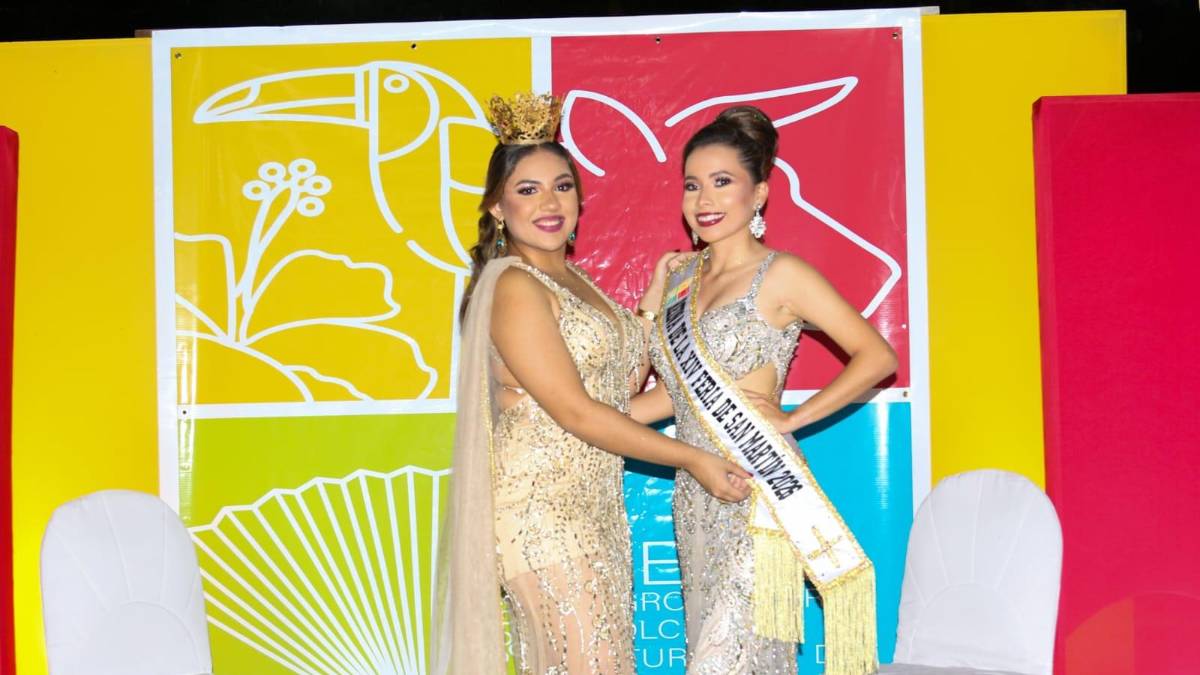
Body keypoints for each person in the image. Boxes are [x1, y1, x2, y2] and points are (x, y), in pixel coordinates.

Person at [431, 93, 751, 675]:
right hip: (540, 515)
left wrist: (657, 303)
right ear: (498, 207)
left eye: (562, 186)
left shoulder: (576, 282)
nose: (550, 203)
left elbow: (619, 396)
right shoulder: (514, 287)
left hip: (594, 510)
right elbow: (577, 413)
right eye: (528, 190)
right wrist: (692, 459)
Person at [632, 105, 898, 675]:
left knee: (724, 662)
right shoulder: (680, 280)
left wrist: (793, 419)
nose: (704, 199)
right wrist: (582, 416)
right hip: (696, 495)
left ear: (759, 194)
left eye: (722, 182)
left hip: (759, 489)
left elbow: (878, 357)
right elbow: (670, 397)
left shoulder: (782, 274)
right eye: (692, 185)